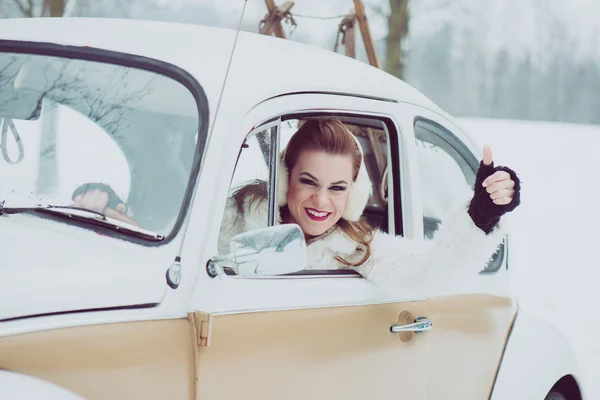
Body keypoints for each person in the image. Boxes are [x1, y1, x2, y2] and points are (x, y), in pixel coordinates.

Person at [73, 118, 521, 292]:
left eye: (337, 188)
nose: (322, 201)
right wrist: (109, 212)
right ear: (285, 178)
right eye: (308, 182)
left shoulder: (356, 246)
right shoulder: (235, 215)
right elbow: (175, 248)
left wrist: (481, 212)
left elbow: (432, 274)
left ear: (353, 193)